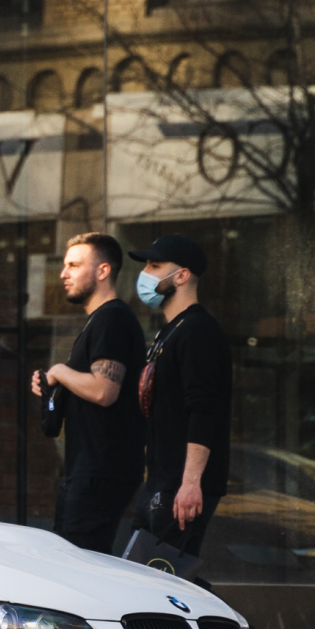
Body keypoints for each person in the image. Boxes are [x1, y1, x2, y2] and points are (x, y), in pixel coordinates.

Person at [28, 232, 147, 552]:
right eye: (64, 266)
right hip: (87, 469)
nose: (63, 274)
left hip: (100, 472)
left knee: (81, 570)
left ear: (103, 271)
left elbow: (103, 390)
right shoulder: (100, 321)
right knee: (72, 563)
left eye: (74, 265)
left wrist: (61, 372)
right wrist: (54, 388)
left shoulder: (112, 319)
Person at [130, 234, 231, 561]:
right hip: (160, 482)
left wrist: (190, 484)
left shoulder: (198, 331)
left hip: (179, 487)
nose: (146, 273)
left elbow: (204, 410)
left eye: (155, 265)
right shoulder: (169, 332)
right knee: (147, 577)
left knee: (164, 580)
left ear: (182, 276)